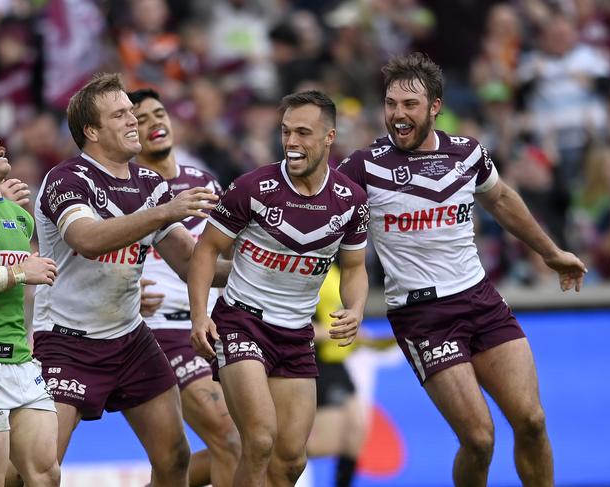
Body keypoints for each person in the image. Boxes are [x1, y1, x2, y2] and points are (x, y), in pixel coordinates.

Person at [338, 52, 587, 486]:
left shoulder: (467, 153)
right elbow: (319, 215)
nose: (397, 113)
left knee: (531, 419)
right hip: (422, 317)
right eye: (391, 103)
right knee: (479, 438)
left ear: (434, 106)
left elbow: (503, 200)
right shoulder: (363, 167)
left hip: (481, 299)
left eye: (409, 105)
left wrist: (551, 252)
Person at [30, 73, 220, 487]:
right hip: (66, 341)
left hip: (131, 338)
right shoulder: (67, 179)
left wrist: (267, 258)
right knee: (38, 473)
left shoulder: (149, 184)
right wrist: (164, 212)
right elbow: (88, 239)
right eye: (121, 115)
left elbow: (191, 265)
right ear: (92, 131)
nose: (133, 121)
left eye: (131, 113)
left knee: (174, 459)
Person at [188, 90, 371, 487]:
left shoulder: (351, 201)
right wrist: (200, 315)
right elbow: (205, 251)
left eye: (303, 132)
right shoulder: (252, 187)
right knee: (259, 439)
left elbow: (355, 267)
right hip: (241, 323)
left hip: (296, 333)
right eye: (286, 131)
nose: (291, 142)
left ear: (329, 137)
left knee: (290, 461)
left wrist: (355, 308)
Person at [129, 87, 241, 487]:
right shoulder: (124, 192)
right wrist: (119, 289)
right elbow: (87, 252)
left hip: (215, 327)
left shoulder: (206, 183)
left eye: (159, 113)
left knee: (248, 444)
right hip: (163, 331)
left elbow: (228, 256)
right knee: (229, 438)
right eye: (139, 120)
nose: (154, 123)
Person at [0, 131, 60, 487]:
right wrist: (19, 272)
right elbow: (23, 274)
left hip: (19, 362)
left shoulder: (20, 218)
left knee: (46, 474)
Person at [306, 264, 366, 487]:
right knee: (326, 442)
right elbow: (292, 321)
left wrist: (356, 335)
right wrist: (331, 332)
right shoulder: (306, 266)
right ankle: (262, 459)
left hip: (337, 363)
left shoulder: (336, 266)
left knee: (355, 434)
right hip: (317, 362)